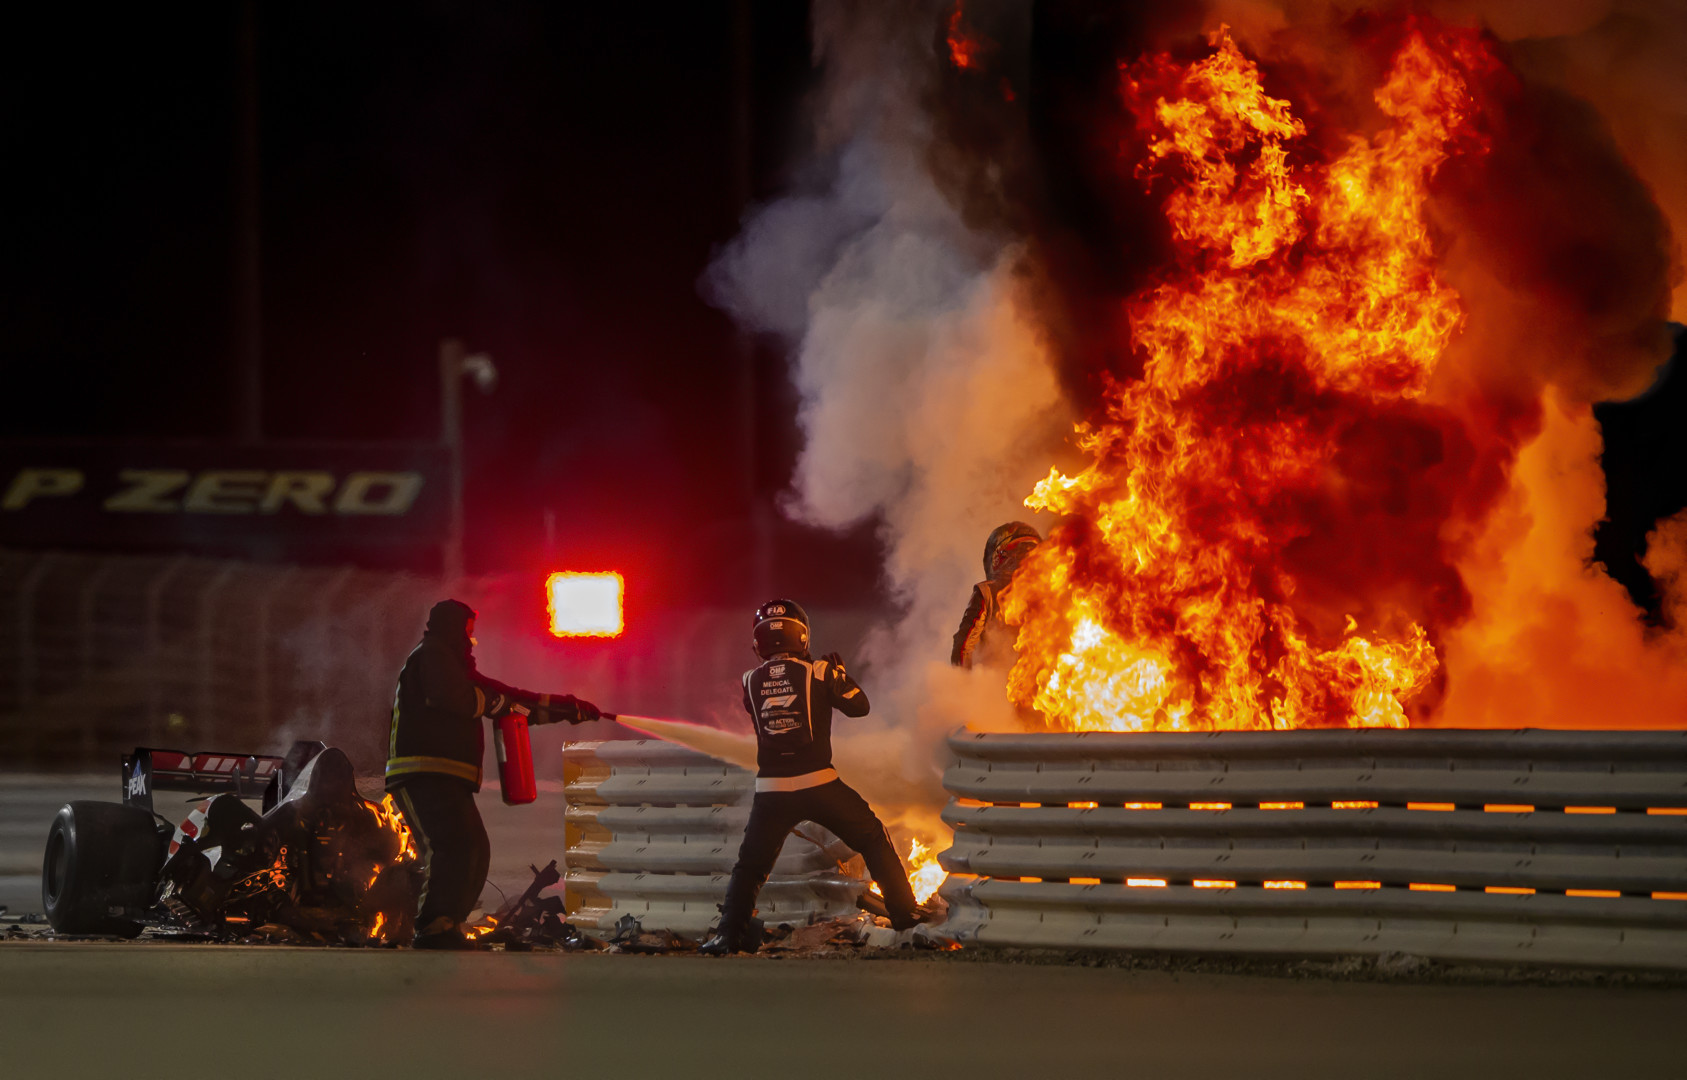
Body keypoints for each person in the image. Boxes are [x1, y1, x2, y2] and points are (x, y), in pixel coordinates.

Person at [700, 599, 923, 955]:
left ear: (759, 642)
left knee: (750, 866)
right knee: (872, 836)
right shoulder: (819, 671)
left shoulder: (749, 680)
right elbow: (860, 706)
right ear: (802, 636)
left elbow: (769, 698)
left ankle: (727, 935)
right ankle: (906, 915)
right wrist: (840, 675)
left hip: (771, 790)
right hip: (818, 782)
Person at [387, 599, 601, 949]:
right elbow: (459, 698)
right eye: (468, 634)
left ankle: (448, 924)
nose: (472, 643)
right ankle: (433, 928)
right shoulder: (431, 655)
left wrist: (564, 707)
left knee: (472, 848)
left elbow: (503, 696)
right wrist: (499, 703)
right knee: (451, 847)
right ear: (453, 630)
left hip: (446, 775)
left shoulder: (450, 663)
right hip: (422, 772)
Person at [951, 521, 1042, 668]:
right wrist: (964, 685)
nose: (1027, 560)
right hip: (996, 682)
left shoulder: (1051, 595)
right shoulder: (988, 593)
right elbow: (964, 645)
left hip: (1041, 683)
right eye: (1022, 552)